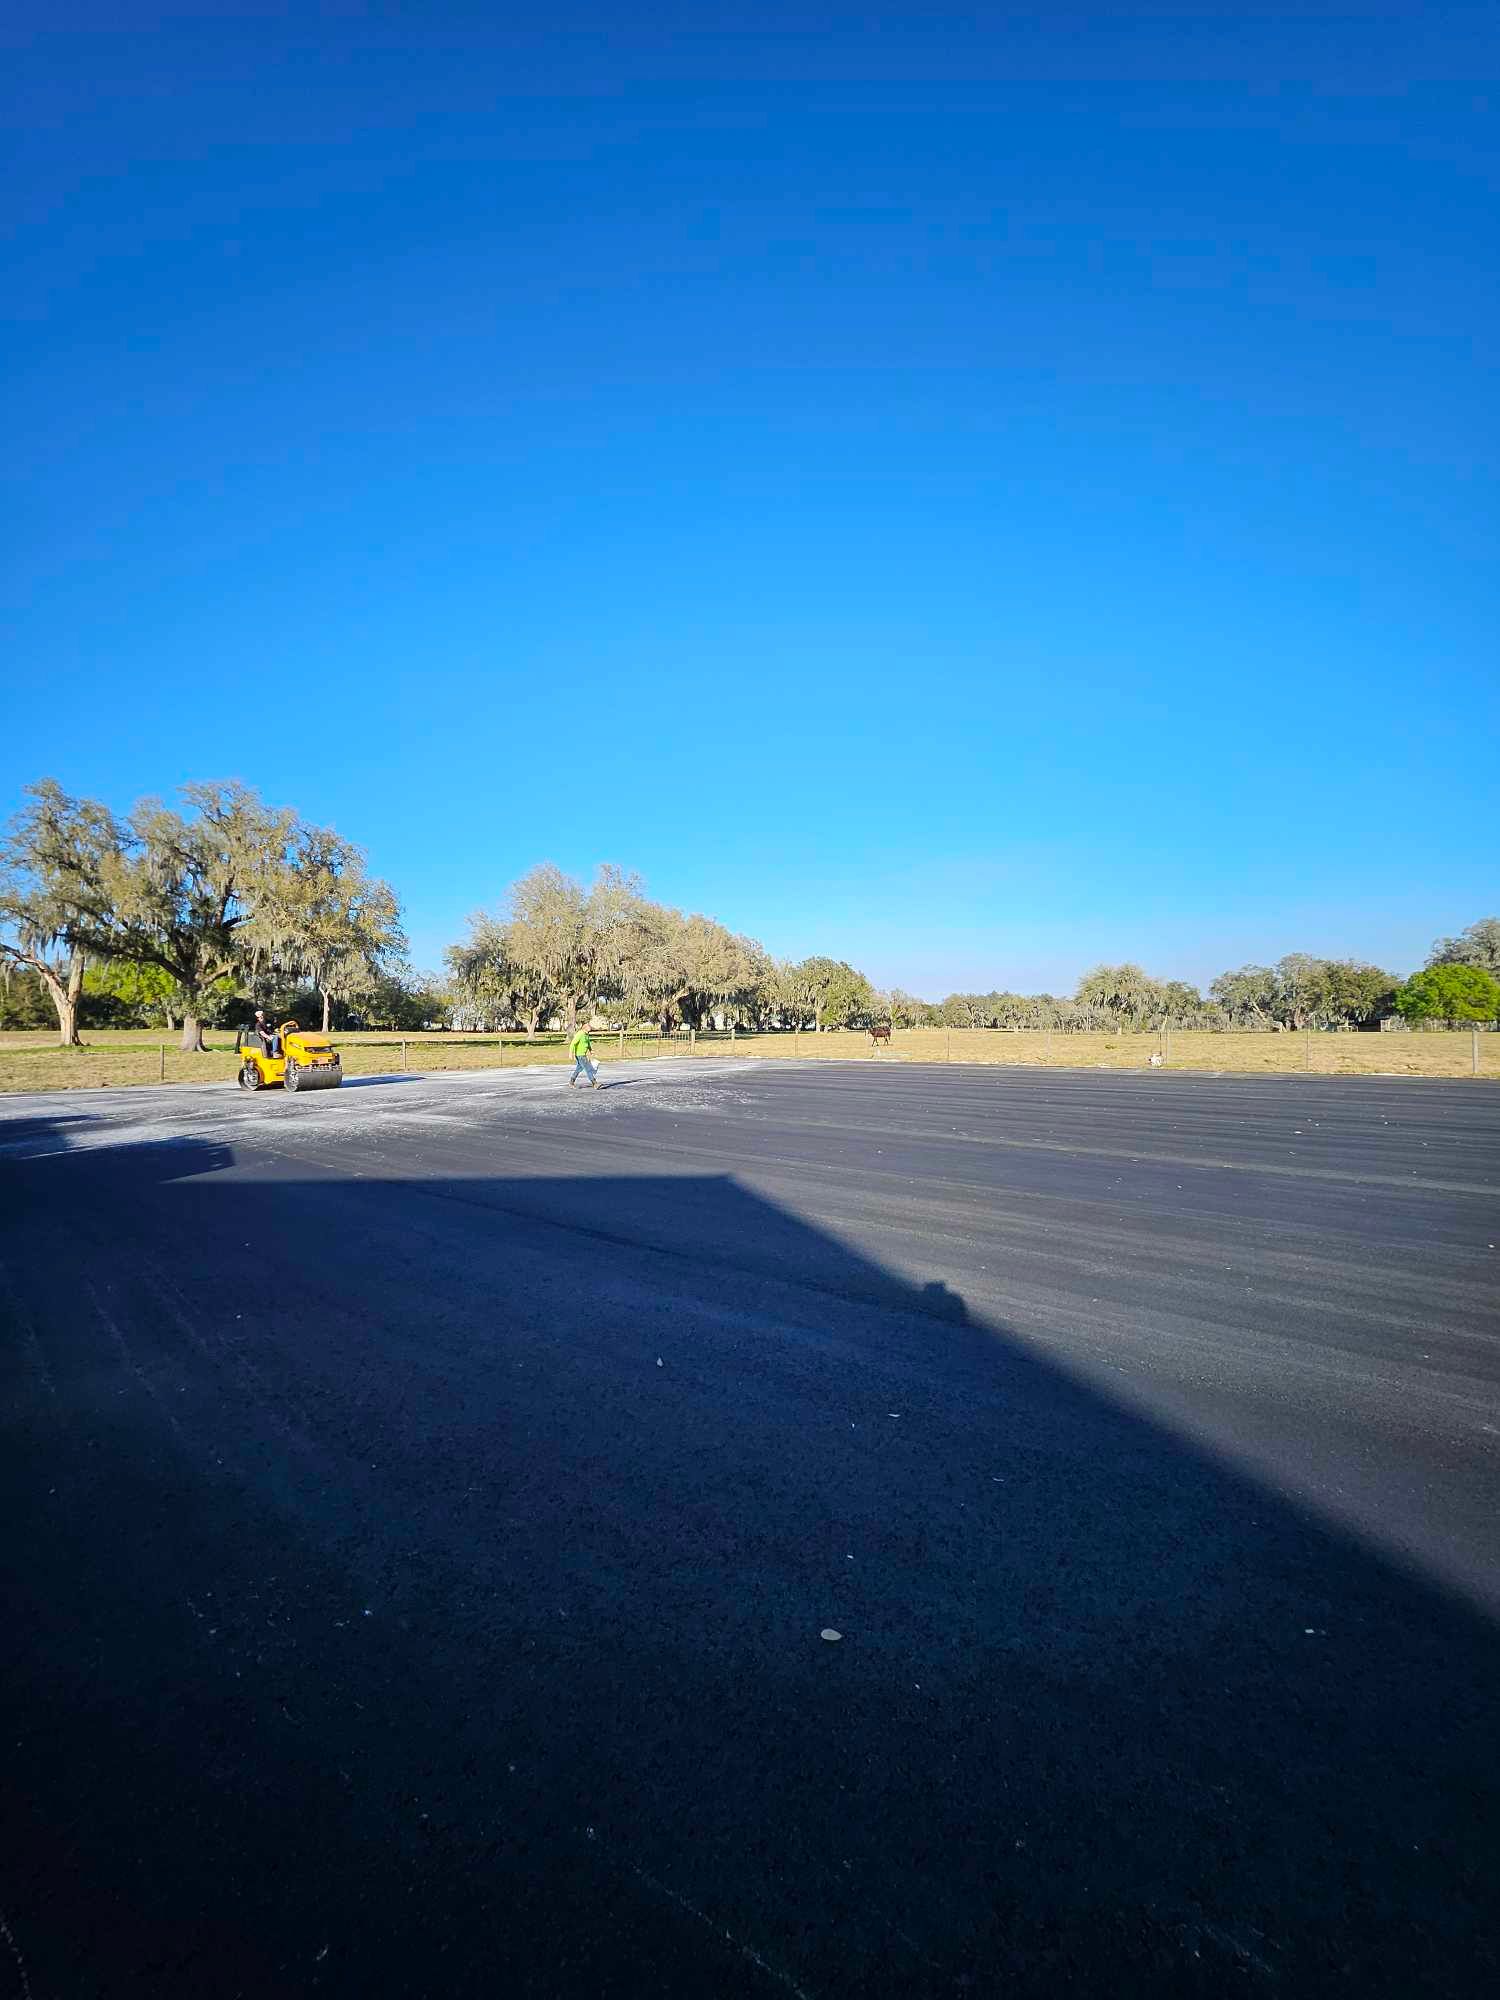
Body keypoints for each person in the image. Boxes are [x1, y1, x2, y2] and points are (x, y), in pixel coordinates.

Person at [568, 1022, 599, 1088]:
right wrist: (571, 1053)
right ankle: (594, 1083)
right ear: (585, 1027)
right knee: (588, 1069)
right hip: (580, 1055)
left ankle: (571, 1082)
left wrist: (590, 1050)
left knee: (579, 1069)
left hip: (583, 1055)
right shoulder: (580, 1034)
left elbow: (588, 1043)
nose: (590, 1027)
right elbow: (573, 1043)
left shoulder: (586, 1034)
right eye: (589, 1026)